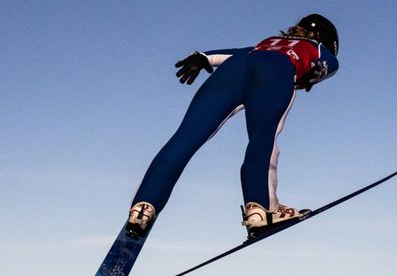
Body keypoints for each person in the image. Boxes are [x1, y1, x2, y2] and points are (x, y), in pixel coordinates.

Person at [124, 13, 339, 240]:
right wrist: (319, 70)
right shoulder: (315, 47)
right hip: (276, 71)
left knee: (185, 137)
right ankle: (260, 209)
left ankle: (143, 206)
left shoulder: (265, 43)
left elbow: (232, 54)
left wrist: (202, 58)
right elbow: (330, 63)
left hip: (233, 70)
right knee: (262, 137)